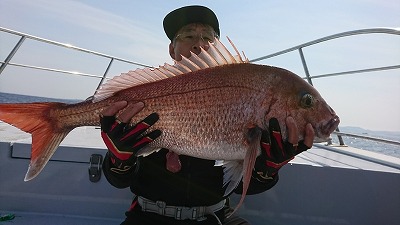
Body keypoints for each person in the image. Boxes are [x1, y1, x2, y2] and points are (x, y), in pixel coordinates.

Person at [100, 5, 315, 225]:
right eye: (189, 35)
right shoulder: (146, 93)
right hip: (146, 217)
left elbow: (243, 187)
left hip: (214, 218)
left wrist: (267, 168)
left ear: (216, 49)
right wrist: (119, 157)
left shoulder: (245, 97)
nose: (199, 43)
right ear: (172, 50)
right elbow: (118, 180)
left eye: (208, 38)